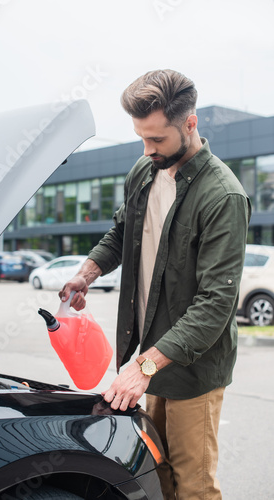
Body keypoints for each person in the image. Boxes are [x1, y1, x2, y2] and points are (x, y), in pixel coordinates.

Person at [59, 69, 251, 499]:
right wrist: (86, 272)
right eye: (141, 138)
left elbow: (215, 306)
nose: (148, 150)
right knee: (155, 476)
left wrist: (143, 367)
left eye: (157, 140)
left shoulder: (223, 197)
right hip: (146, 359)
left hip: (190, 371)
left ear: (190, 123)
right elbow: (121, 234)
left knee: (193, 486)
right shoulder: (144, 172)